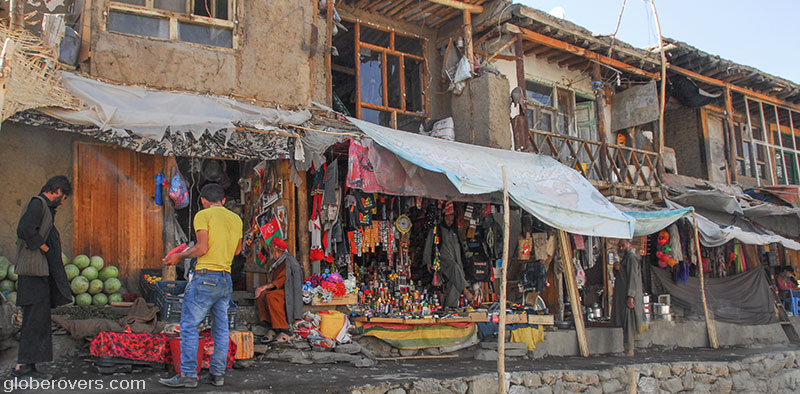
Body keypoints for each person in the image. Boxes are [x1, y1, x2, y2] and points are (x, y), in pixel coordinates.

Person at [159, 183, 243, 388]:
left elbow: (202, 247)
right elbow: (237, 251)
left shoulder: (203, 215)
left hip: (205, 277)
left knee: (189, 326)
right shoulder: (236, 219)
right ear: (223, 201)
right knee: (221, 329)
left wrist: (180, 256)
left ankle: (188, 374)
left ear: (203, 200)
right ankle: (217, 374)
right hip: (225, 278)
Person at [12, 176, 73, 380]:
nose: (63, 202)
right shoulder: (37, 204)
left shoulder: (46, 208)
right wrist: (44, 247)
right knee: (32, 320)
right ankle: (22, 368)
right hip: (32, 273)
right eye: (63, 197)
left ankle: (31, 366)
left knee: (38, 320)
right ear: (55, 191)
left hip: (40, 273)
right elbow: (24, 230)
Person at [423, 201, 473, 308]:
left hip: (456, 261)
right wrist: (427, 261)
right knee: (454, 268)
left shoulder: (455, 232)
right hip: (442, 260)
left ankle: (450, 307)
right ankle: (466, 291)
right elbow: (428, 245)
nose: (450, 222)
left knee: (455, 281)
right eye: (448, 219)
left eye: (451, 220)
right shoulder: (437, 230)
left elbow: (461, 249)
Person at [254, 237, 303, 343]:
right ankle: (272, 327)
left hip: (288, 292)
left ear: (274, 249)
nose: (269, 249)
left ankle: (285, 329)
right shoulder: (276, 261)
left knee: (272, 297)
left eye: (270, 247)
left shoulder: (288, 261)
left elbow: (282, 279)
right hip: (279, 289)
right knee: (262, 295)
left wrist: (266, 286)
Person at [611, 239, 644, 356]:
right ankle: (627, 349)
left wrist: (631, 296)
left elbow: (633, 278)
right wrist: (617, 269)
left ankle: (629, 349)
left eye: (623, 246)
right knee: (625, 323)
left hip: (629, 296)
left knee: (629, 323)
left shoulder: (631, 258)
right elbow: (623, 275)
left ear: (629, 245)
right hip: (624, 295)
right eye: (619, 246)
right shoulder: (624, 259)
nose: (620, 248)